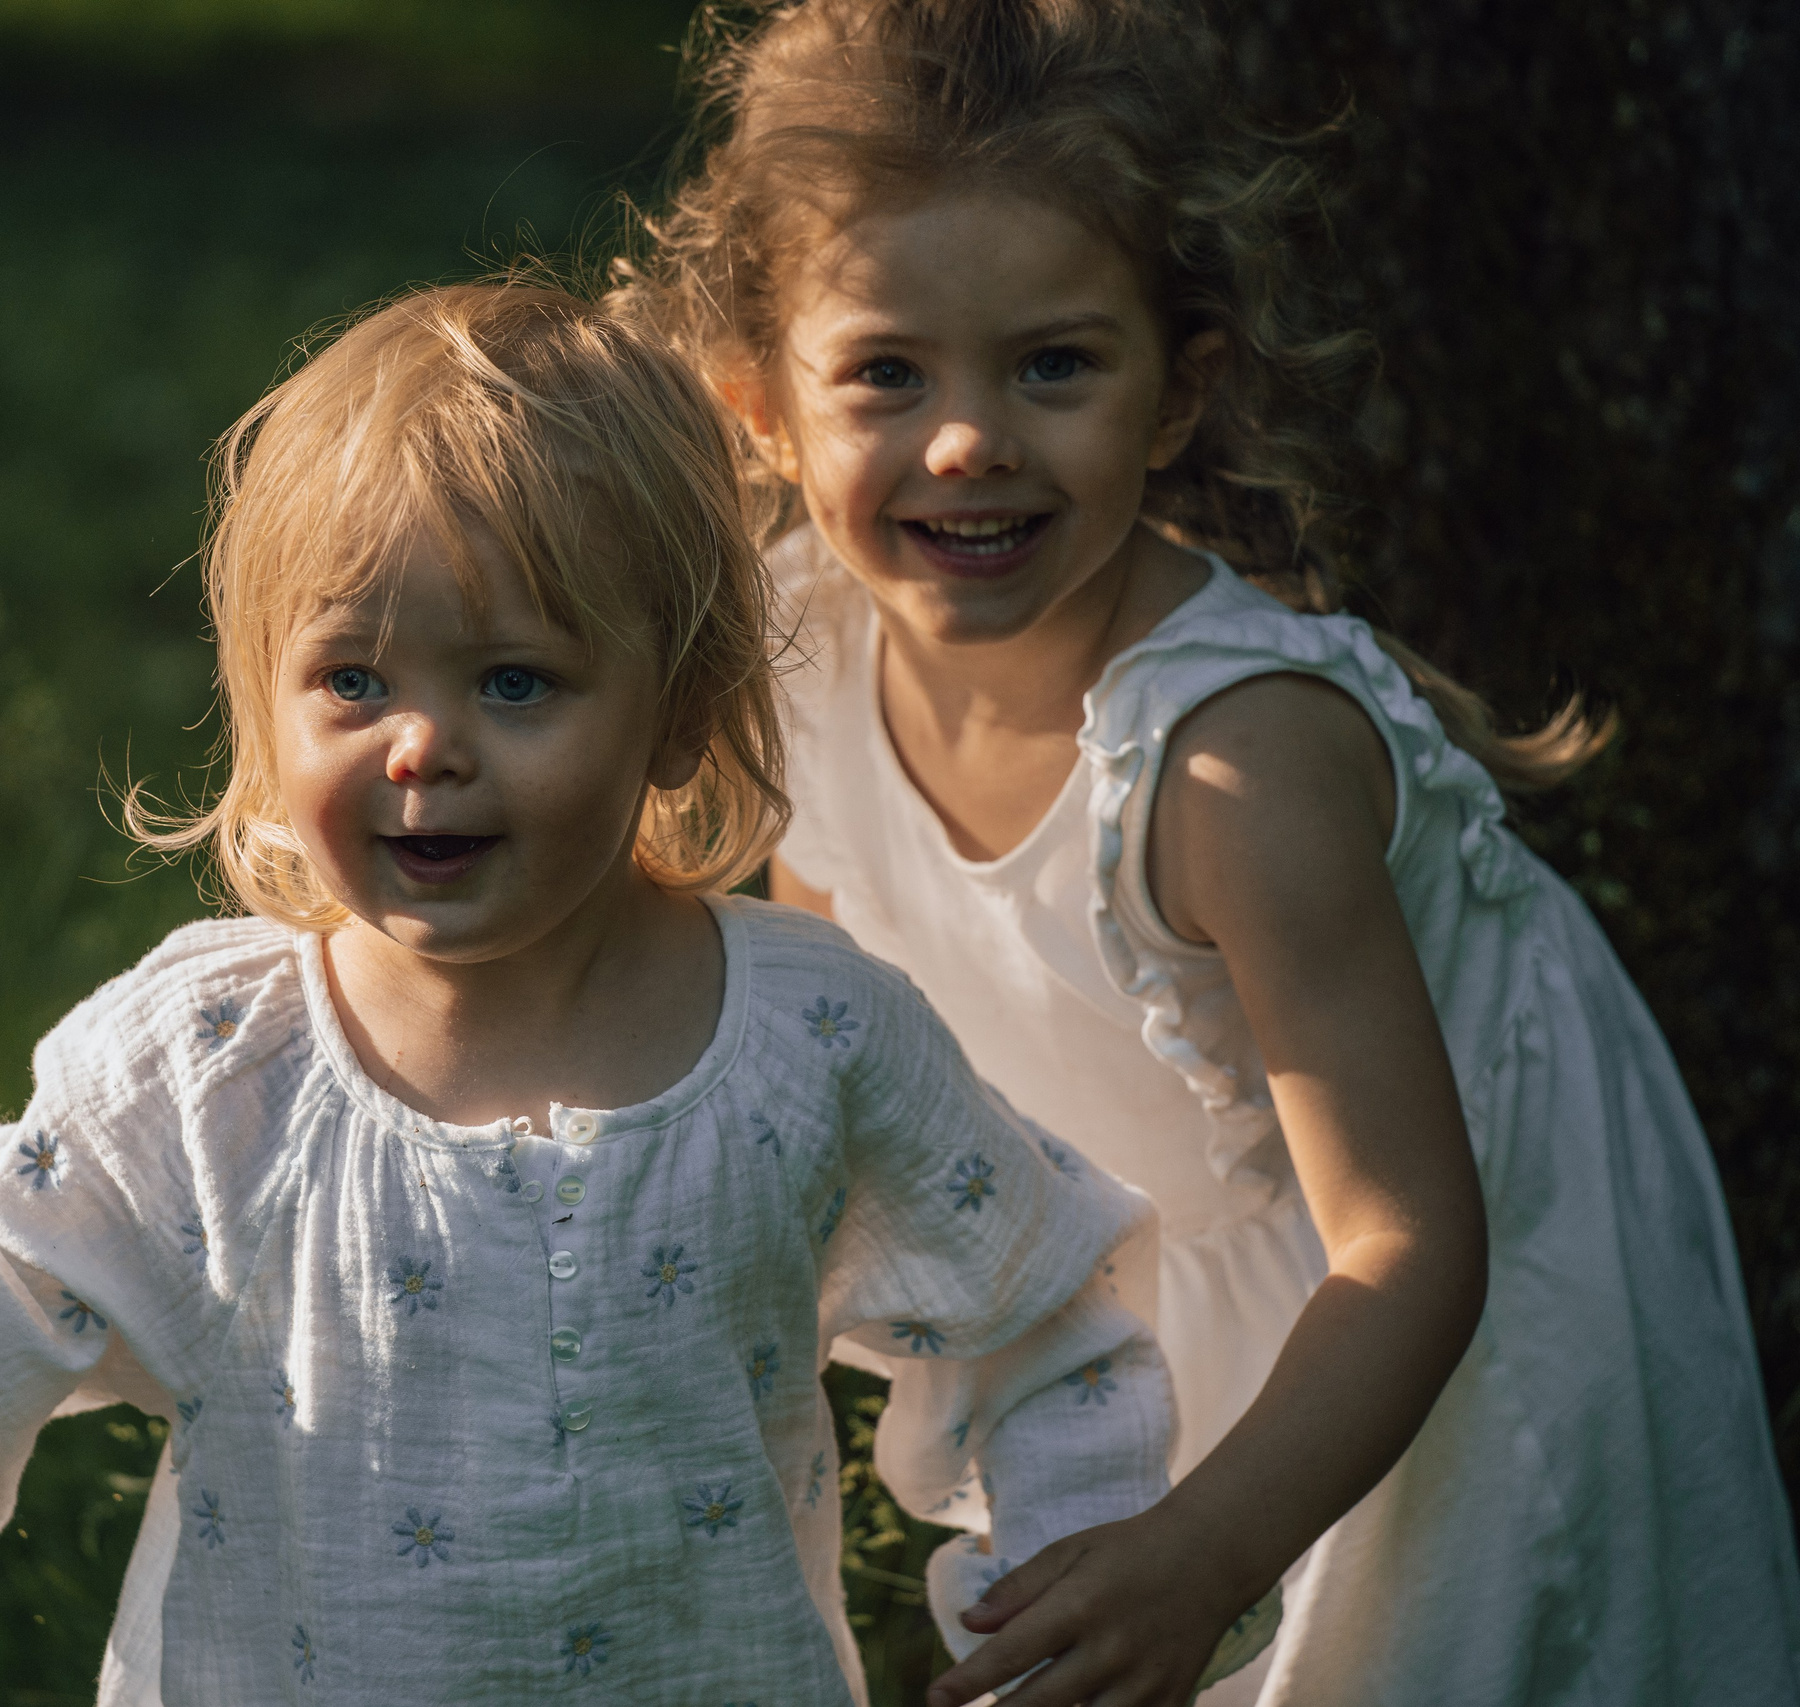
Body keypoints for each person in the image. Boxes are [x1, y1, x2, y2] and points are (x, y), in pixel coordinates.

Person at [0, 283, 1193, 1706]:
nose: (424, 745)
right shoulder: (222, 1063)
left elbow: (1039, 1319)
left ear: (684, 713)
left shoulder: (809, 1039)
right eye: (352, 680)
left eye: (516, 681)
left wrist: (1069, 1588)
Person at [613, 2, 1800, 1703]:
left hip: (1423, 1308)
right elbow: (833, 1045)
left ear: (1180, 393)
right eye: (886, 371)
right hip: (1163, 1264)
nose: (967, 438)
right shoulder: (799, 650)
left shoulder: (1233, 766)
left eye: (1054, 364)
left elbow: (1412, 1247)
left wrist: (1205, 1550)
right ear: (762, 407)